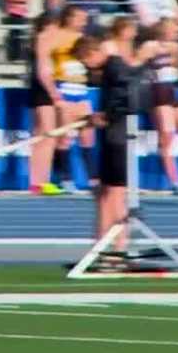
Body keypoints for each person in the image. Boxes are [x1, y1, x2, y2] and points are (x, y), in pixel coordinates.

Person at [77, 17, 138, 250]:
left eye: (86, 62)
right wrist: (97, 118)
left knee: (115, 193)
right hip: (110, 136)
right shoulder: (108, 69)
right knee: (103, 193)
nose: (88, 68)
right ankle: (100, 246)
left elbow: (127, 98)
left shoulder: (115, 67)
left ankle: (119, 247)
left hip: (119, 138)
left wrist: (105, 116)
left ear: (93, 53)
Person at [37, 5, 97, 193]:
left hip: (81, 89)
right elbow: (45, 64)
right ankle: (65, 178)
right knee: (64, 138)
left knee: (88, 135)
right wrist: (55, 93)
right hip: (65, 88)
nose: (83, 21)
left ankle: (93, 179)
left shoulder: (84, 38)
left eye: (85, 18)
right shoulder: (56, 35)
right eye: (80, 17)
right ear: (69, 18)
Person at [136, 18, 178, 193]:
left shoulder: (175, 47)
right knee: (166, 138)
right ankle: (175, 180)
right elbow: (135, 66)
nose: (176, 32)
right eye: (173, 28)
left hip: (173, 91)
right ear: (163, 30)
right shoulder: (149, 46)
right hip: (158, 92)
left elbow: (176, 70)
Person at [26, 13, 62, 195]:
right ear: (49, 25)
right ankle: (41, 180)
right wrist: (54, 93)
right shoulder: (43, 39)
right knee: (48, 137)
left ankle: (37, 181)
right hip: (43, 90)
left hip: (38, 88)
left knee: (40, 136)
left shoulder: (39, 39)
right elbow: (43, 71)